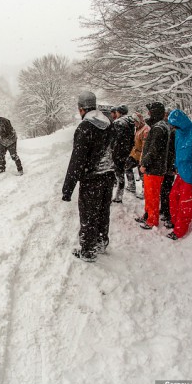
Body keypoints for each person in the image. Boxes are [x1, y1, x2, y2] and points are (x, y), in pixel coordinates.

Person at [62, 91, 115, 262]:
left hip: (91, 180)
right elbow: (116, 150)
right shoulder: (109, 124)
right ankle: (101, 241)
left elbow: (77, 160)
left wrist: (67, 189)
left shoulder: (85, 127)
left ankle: (88, 251)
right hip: (108, 176)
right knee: (103, 211)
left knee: (88, 215)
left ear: (82, 108)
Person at [166, 109, 192, 240]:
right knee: (173, 197)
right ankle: (174, 222)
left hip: (191, 177)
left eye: (174, 125)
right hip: (180, 174)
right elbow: (179, 152)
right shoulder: (178, 133)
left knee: (186, 205)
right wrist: (175, 165)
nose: (172, 128)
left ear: (180, 123)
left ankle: (179, 231)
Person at [137, 102, 176, 230]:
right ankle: (148, 214)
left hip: (154, 168)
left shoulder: (159, 128)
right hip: (155, 167)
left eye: (150, 111)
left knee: (152, 195)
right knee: (149, 194)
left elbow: (154, 150)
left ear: (155, 112)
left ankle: (152, 220)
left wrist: (145, 163)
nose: (148, 114)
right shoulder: (160, 126)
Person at [110, 105, 135, 203]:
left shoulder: (118, 122)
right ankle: (131, 186)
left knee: (119, 174)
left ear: (119, 112)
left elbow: (115, 139)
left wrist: (113, 150)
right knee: (128, 169)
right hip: (128, 150)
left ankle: (118, 196)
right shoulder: (131, 121)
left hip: (119, 152)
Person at [125, 112, 149, 199]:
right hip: (134, 153)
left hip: (140, 154)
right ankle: (131, 186)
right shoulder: (138, 128)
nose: (134, 123)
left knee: (142, 173)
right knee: (127, 167)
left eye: (135, 121)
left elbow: (144, 146)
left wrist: (142, 159)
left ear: (139, 121)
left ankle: (144, 190)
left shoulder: (145, 130)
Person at [160, 108, 176, 227]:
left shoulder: (173, 131)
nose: (165, 117)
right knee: (164, 189)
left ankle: (168, 212)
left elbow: (172, 149)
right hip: (166, 163)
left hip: (169, 165)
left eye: (167, 115)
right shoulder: (169, 129)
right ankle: (164, 209)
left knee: (167, 190)